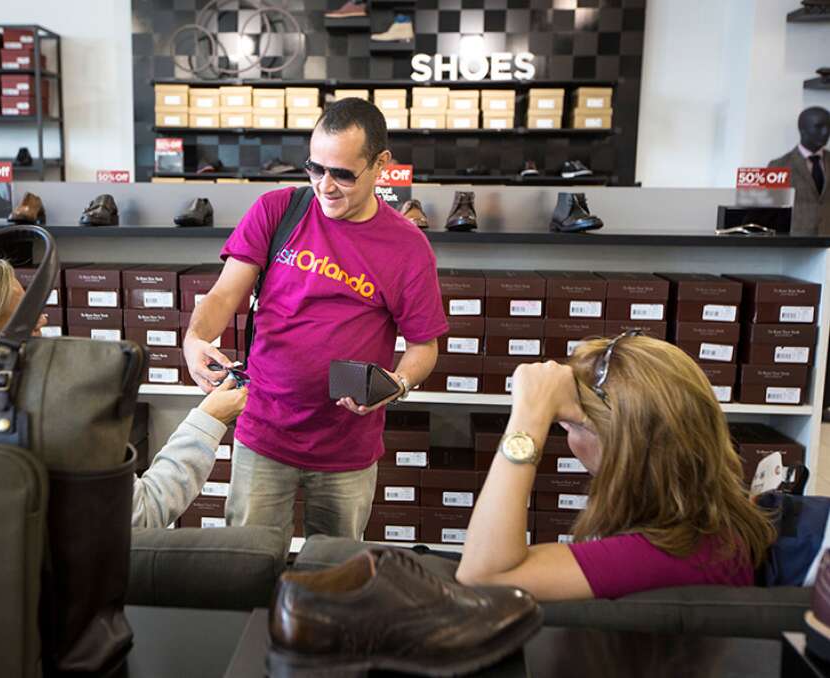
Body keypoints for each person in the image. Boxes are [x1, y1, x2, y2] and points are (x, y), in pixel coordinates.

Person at [183, 98, 448, 543]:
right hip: (262, 432)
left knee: (334, 580)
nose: (325, 186)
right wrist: (194, 339)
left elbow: (425, 346)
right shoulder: (277, 210)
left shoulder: (407, 247)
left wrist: (396, 385)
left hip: (347, 449)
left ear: (381, 164)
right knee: (244, 567)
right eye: (314, 168)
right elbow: (224, 294)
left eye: (342, 174)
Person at [0, 259, 248, 529]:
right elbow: (142, 513)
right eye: (27, 319)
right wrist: (208, 420)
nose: (41, 319)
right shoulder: (52, 415)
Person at [455, 332, 776, 601]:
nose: (565, 431)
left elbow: (483, 574)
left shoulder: (668, 554)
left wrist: (529, 417)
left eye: (574, 424)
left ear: (623, 447)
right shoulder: (705, 525)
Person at [768, 106, 830, 235]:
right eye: (819, 127)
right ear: (803, 130)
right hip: (796, 242)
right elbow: (771, 212)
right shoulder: (779, 166)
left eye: (829, 127)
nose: (826, 132)